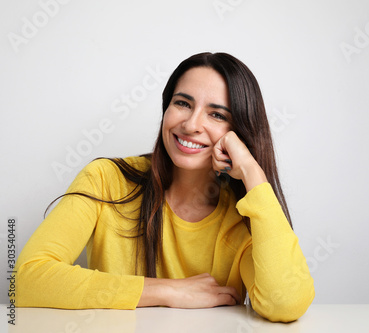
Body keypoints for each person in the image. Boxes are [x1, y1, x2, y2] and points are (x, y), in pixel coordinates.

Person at [14, 52, 315, 322]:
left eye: (217, 114)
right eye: (182, 103)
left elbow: (285, 304)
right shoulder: (106, 179)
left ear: (239, 133)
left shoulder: (246, 218)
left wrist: (253, 172)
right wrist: (168, 291)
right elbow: (26, 280)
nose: (191, 124)